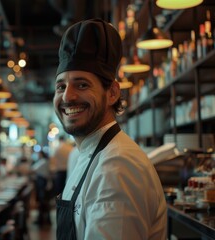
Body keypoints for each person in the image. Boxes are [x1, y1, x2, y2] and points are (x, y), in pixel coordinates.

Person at [53, 19, 167, 239]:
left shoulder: (116, 165)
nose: (68, 96)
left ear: (113, 93)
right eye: (61, 86)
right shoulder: (90, 154)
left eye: (82, 84)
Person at [31, 150, 52, 226]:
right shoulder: (44, 161)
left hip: (42, 182)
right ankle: (44, 220)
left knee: (42, 201)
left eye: (38, 154)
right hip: (42, 182)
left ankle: (42, 220)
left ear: (41, 154)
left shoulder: (43, 161)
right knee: (43, 201)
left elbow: (33, 169)